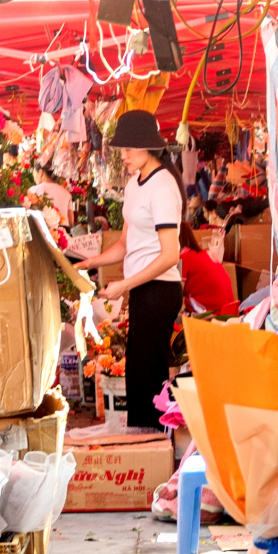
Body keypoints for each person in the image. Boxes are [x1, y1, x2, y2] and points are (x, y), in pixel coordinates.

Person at [84, 110, 184, 431]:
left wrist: (124, 284)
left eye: (128, 148)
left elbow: (170, 255)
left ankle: (151, 445)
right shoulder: (134, 185)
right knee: (137, 371)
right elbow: (125, 245)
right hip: (143, 289)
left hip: (160, 289)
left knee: (147, 373)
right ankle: (144, 440)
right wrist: (86, 263)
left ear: (148, 146)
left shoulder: (163, 186)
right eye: (121, 149)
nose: (123, 155)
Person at [178, 222, 238, 316]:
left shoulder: (183, 258)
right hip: (228, 313)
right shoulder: (205, 253)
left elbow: (175, 294)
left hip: (210, 315)